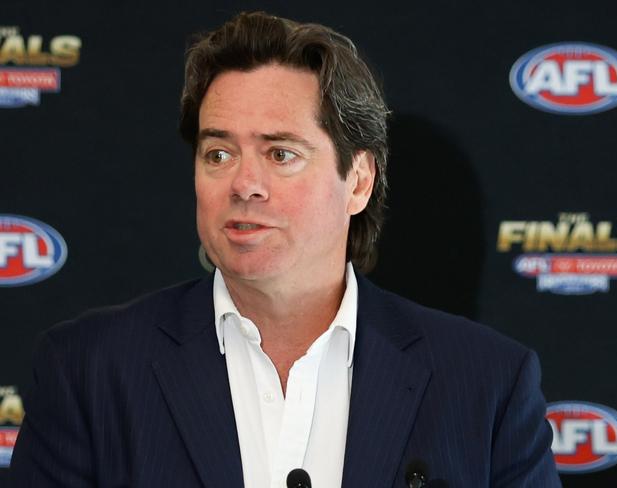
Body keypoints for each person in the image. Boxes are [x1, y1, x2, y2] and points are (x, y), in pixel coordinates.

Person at [9, 11, 561, 488]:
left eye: (280, 154)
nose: (244, 183)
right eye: (219, 154)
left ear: (359, 181)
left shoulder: (487, 384)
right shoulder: (89, 371)